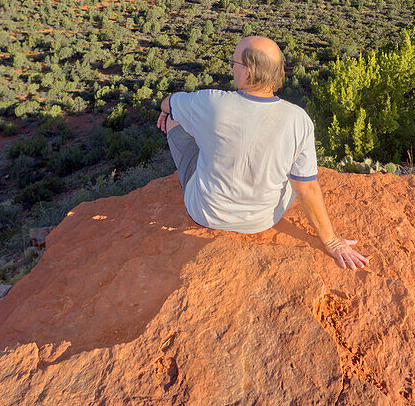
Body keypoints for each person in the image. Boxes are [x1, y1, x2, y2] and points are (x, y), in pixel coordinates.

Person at [156, 35, 368, 270]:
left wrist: (170, 112)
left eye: (233, 63)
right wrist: (331, 241)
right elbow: (306, 188)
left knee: (175, 121)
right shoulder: (298, 120)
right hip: (262, 220)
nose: (232, 69)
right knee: (296, 173)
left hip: (206, 213)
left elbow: (167, 102)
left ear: (246, 72)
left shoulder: (210, 102)